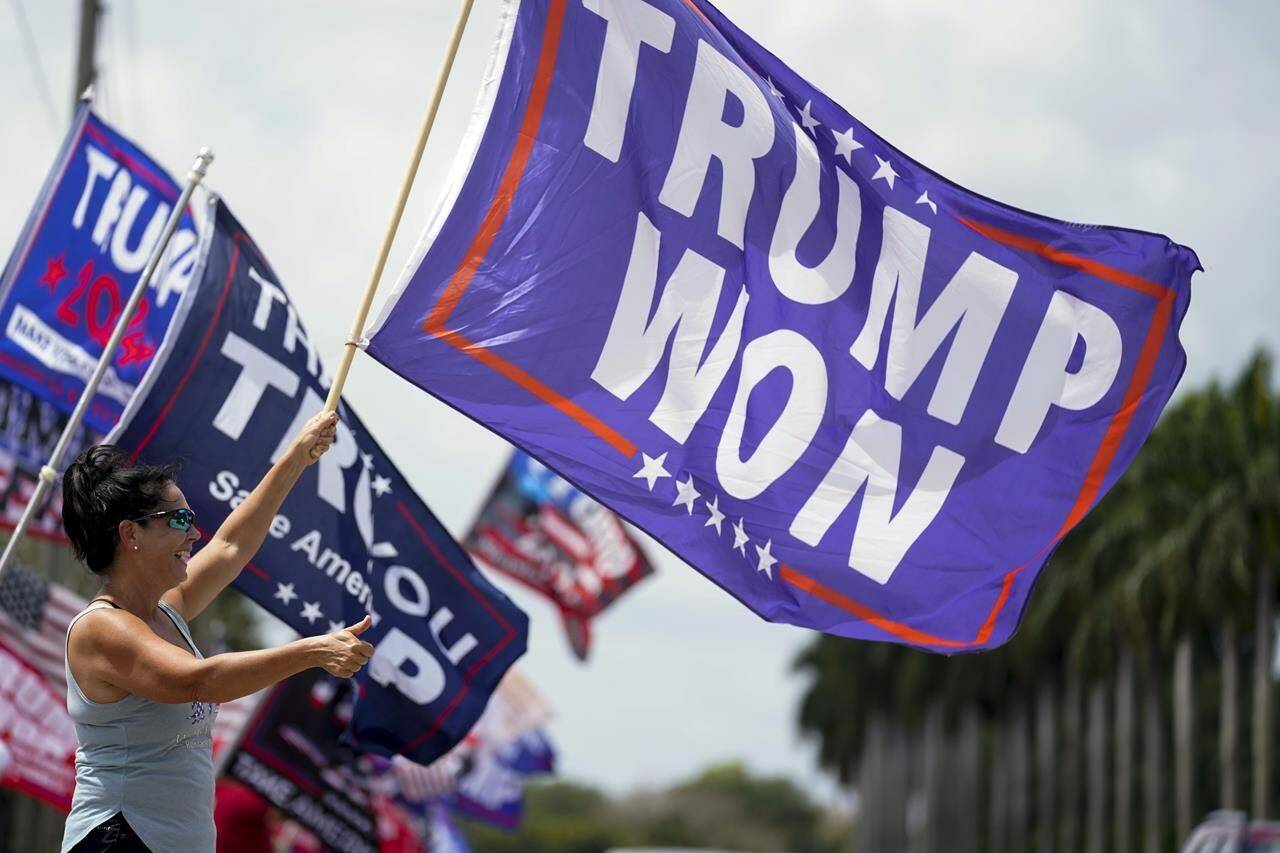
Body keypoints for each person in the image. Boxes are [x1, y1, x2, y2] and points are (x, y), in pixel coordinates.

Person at [59, 412, 375, 853]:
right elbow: (199, 681)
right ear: (131, 534)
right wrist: (312, 651)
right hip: (120, 839)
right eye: (180, 519)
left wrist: (298, 456)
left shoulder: (165, 611)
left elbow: (231, 545)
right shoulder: (101, 628)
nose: (195, 533)